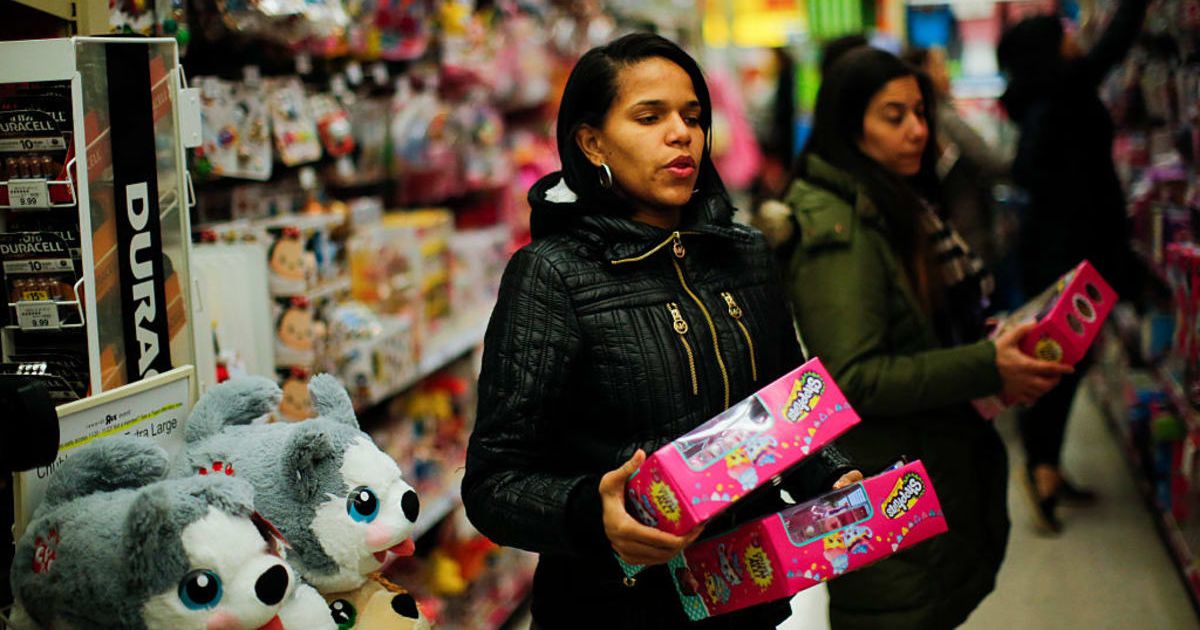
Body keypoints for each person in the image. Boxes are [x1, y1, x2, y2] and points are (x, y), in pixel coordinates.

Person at [462, 33, 859, 629]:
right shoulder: (552, 274)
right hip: (613, 609)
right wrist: (593, 513)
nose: (682, 134)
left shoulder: (745, 254)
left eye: (692, 116)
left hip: (746, 597)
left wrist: (830, 474)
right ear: (591, 141)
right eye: (650, 117)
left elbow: (789, 412)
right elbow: (494, 483)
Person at [779, 47, 1073, 628]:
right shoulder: (840, 228)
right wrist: (985, 364)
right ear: (848, 122)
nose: (918, 130)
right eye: (895, 116)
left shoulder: (895, 202)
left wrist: (980, 344)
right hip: (886, 488)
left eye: (921, 111)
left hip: (921, 470)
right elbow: (853, 378)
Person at [998, 0, 1147, 532]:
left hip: (1062, 247)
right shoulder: (1062, 91)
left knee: (1062, 362)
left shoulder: (1039, 97)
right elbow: (1109, 51)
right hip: (1073, 252)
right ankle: (1040, 471)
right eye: (1062, 32)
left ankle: (1049, 468)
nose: (1073, 37)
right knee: (1057, 364)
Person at [903, 46, 1013, 266]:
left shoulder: (939, 115)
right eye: (939, 67)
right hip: (969, 234)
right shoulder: (943, 118)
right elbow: (992, 160)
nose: (946, 74)